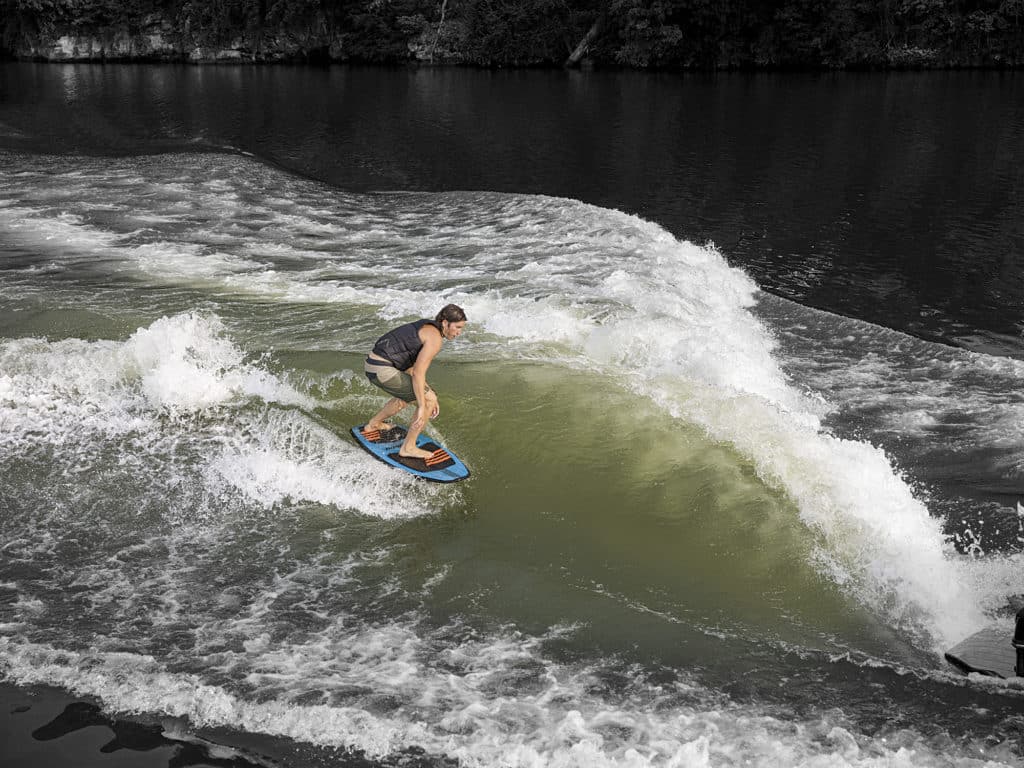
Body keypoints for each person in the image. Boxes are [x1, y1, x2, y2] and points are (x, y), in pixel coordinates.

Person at [362, 304, 467, 460]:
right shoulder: (435, 338)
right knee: (428, 399)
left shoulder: (426, 326)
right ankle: (408, 447)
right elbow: (418, 373)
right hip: (382, 369)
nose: (459, 332)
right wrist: (423, 404)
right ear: (445, 323)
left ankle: (373, 424)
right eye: (457, 327)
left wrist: (427, 390)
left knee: (414, 394)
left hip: (373, 365)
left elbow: (411, 370)